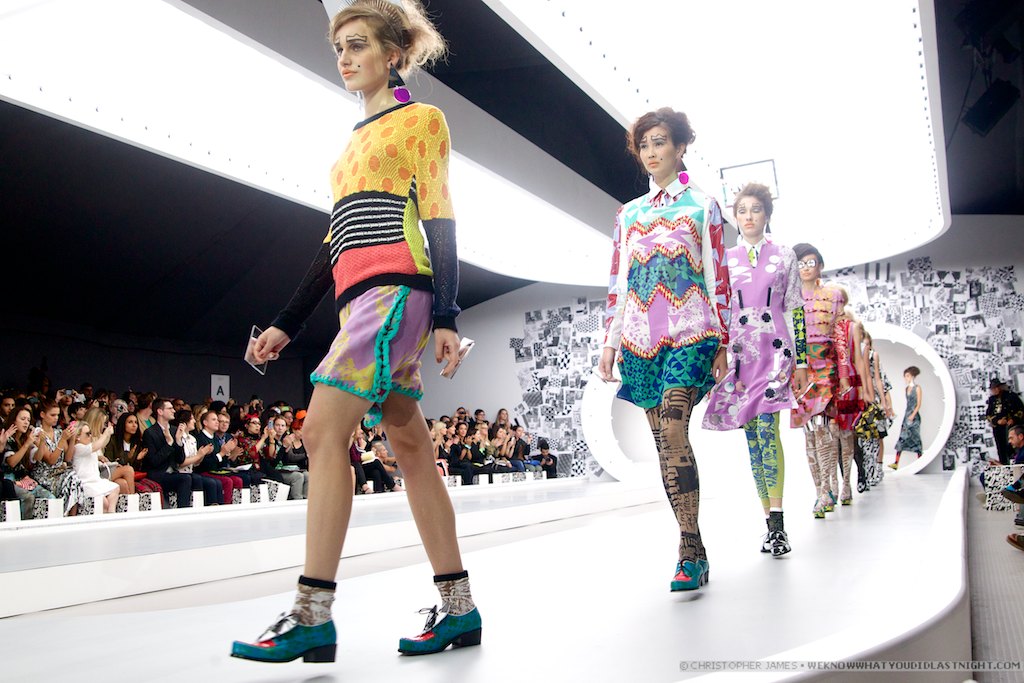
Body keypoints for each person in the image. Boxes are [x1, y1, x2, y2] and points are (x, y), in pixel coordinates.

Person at [232, 0, 480, 663]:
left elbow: (440, 216)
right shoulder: (351, 143)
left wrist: (448, 315)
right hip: (358, 299)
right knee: (410, 443)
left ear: (393, 54)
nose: (344, 57)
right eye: (339, 46)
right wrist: (287, 321)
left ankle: (311, 614)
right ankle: (460, 609)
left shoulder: (421, 120)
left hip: (396, 291)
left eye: (358, 44)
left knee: (320, 429)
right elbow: (333, 240)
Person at [598, 107, 730, 592]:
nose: (651, 152)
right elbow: (619, 282)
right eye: (644, 145)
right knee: (663, 443)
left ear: (680, 147)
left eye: (659, 142)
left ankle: (687, 550)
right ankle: (694, 546)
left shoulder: (703, 207)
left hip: (692, 332)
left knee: (673, 428)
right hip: (639, 340)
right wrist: (610, 342)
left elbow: (717, 275)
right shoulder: (628, 214)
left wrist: (724, 340)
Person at [702, 183, 806, 557]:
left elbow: (795, 309)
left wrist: (803, 361)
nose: (748, 216)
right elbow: (717, 311)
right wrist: (717, 355)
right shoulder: (724, 259)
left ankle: (778, 525)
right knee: (752, 438)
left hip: (776, 352)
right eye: (742, 210)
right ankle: (769, 524)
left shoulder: (785, 255)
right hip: (740, 355)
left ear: (767, 215)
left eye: (756, 209)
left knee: (767, 430)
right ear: (736, 216)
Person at [789, 243, 844, 518]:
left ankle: (826, 491)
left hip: (826, 367)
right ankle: (821, 489)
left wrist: (844, 374)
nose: (806, 268)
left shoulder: (833, 296)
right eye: (801, 263)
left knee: (822, 427)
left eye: (811, 262)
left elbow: (840, 336)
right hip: (799, 370)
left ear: (820, 265)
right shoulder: (789, 299)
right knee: (809, 432)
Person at [831, 290, 866, 506]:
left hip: (847, 383)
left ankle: (847, 483)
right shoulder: (823, 325)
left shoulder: (852, 327)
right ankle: (840, 484)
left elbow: (858, 359)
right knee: (833, 435)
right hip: (829, 381)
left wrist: (863, 389)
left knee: (845, 434)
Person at [30, 400, 85, 516]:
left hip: (59, 473)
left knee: (74, 478)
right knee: (72, 478)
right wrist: (63, 440)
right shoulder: (38, 434)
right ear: (42, 414)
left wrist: (72, 439)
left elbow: (68, 458)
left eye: (57, 415)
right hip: (45, 475)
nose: (56, 418)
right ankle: (68, 516)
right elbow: (51, 460)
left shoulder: (59, 433)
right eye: (52, 415)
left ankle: (71, 516)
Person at [141, 398, 194, 507]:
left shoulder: (175, 430)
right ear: (160, 411)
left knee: (195, 479)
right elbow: (154, 461)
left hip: (173, 472)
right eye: (170, 408)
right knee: (185, 479)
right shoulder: (150, 433)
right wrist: (169, 443)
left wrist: (178, 441)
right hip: (158, 474)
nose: (173, 411)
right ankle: (183, 512)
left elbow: (180, 459)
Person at [70, 420, 120, 513]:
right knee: (104, 503)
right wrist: (105, 434)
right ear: (77, 437)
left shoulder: (88, 446)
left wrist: (108, 434)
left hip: (96, 481)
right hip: (85, 484)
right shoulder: (78, 448)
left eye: (90, 433)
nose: (90, 436)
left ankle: (111, 513)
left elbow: (101, 444)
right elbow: (96, 446)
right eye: (87, 434)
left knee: (115, 488)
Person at [891, 367, 923, 469]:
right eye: (905, 376)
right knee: (902, 437)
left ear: (912, 376)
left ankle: (920, 461)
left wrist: (913, 415)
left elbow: (918, 404)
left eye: (907, 376)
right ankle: (896, 462)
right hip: (907, 415)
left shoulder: (917, 388)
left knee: (916, 438)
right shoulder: (906, 389)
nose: (906, 378)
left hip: (914, 416)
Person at [986, 379, 1024, 465]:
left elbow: (1021, 410)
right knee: (1001, 449)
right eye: (993, 389)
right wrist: (997, 421)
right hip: (999, 429)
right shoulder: (992, 400)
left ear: (1000, 387)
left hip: (1012, 428)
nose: (994, 390)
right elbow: (988, 415)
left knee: (1013, 447)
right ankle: (1004, 465)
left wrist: (1013, 419)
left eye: (996, 388)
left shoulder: (1011, 396)